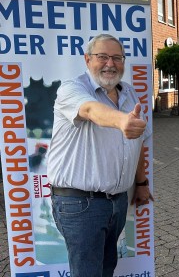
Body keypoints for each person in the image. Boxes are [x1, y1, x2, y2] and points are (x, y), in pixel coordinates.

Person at [47, 34, 153, 277]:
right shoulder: (73, 89)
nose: (110, 63)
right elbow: (90, 110)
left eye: (117, 57)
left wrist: (141, 182)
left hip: (117, 201)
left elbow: (138, 144)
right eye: (102, 56)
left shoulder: (129, 93)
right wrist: (121, 120)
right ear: (87, 59)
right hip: (80, 205)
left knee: (106, 269)